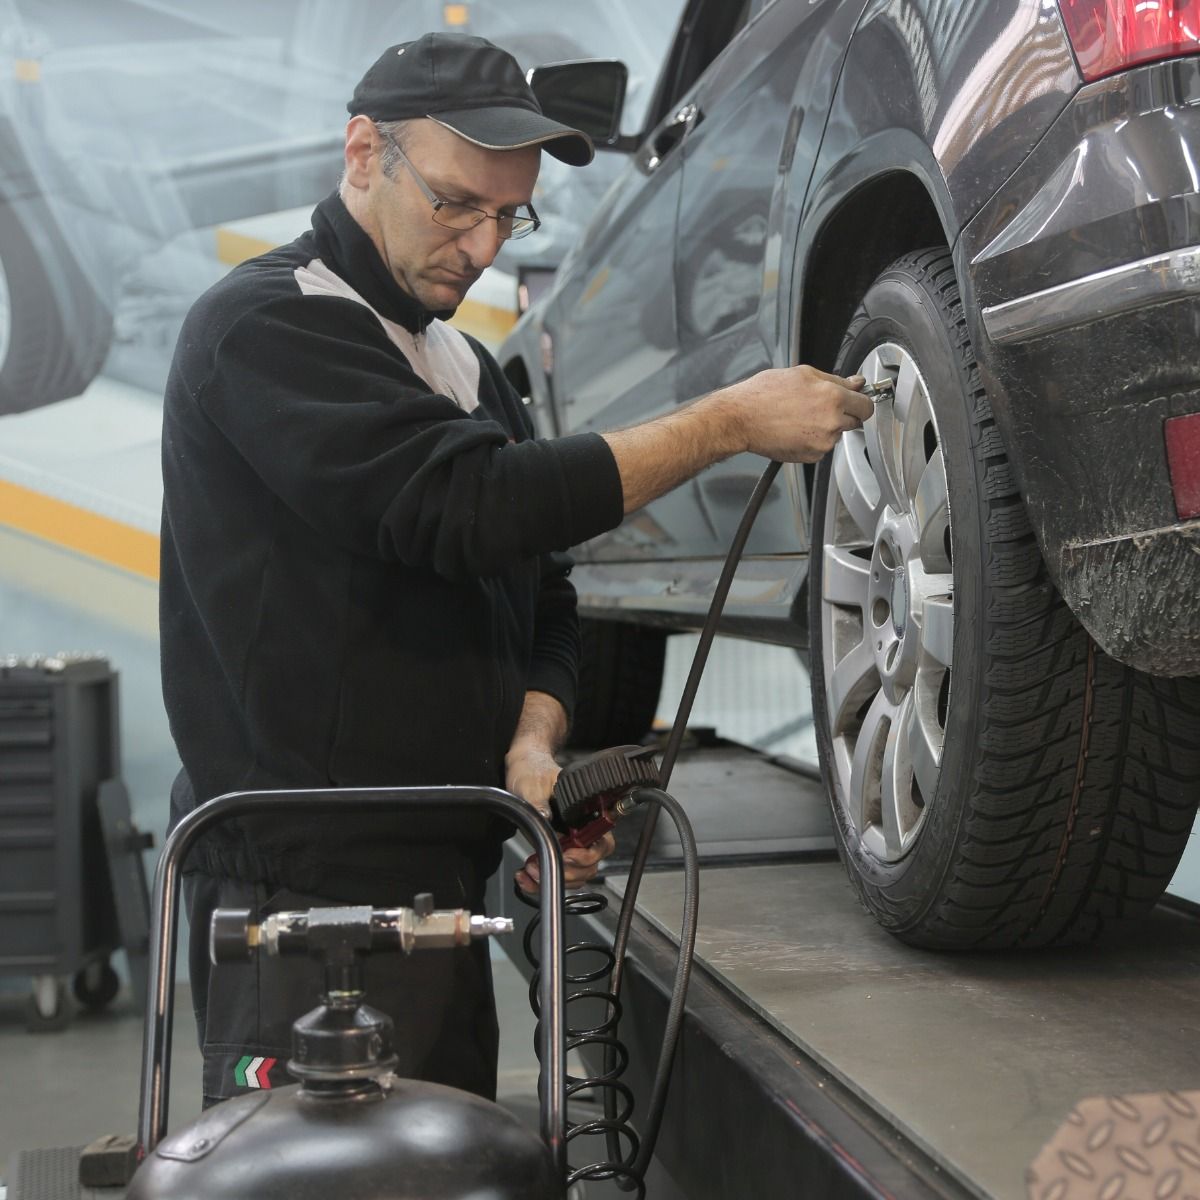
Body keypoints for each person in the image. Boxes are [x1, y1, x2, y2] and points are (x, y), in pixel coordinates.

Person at [159, 32, 873, 1109]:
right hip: (300, 903)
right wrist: (727, 420)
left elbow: (541, 590)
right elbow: (463, 506)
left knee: (449, 1168)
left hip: (437, 879)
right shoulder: (266, 327)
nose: (483, 244)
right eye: (456, 205)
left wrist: (532, 745)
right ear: (364, 154)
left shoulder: (464, 366)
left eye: (510, 216)